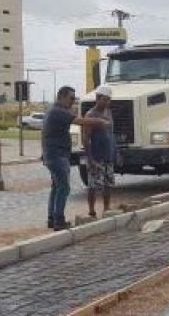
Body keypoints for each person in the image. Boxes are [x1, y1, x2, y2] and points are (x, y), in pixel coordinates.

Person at [42, 86, 108, 231]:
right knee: (63, 188)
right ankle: (59, 221)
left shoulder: (52, 110)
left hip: (52, 155)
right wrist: (100, 122)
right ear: (62, 96)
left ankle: (52, 219)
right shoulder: (59, 112)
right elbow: (81, 121)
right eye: (71, 98)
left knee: (56, 187)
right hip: (57, 156)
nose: (73, 101)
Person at [82, 85, 116, 218]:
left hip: (109, 155)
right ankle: (91, 210)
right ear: (97, 98)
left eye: (109, 100)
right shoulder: (90, 115)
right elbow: (86, 138)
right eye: (105, 100)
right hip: (96, 156)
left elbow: (111, 133)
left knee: (108, 184)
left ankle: (106, 208)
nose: (107, 102)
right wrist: (90, 159)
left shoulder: (108, 112)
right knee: (93, 186)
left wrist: (116, 152)